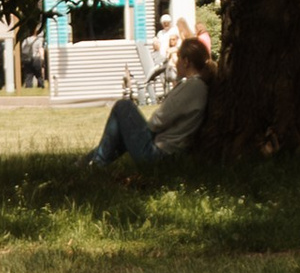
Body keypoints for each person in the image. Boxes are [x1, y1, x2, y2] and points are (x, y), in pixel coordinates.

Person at [87, 33, 212, 173]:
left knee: (124, 106)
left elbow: (160, 120)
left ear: (186, 61)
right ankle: (88, 163)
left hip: (158, 156)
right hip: (165, 154)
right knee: (122, 131)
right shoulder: (196, 86)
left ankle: (96, 164)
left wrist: (142, 131)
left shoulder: (193, 87)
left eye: (178, 58)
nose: (175, 63)